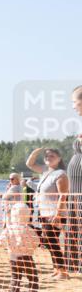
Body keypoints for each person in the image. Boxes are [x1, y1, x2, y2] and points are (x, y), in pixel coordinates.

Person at [26, 147, 70, 280]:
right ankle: (57, 269)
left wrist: (58, 213)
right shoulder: (45, 171)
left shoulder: (60, 174)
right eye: (47, 156)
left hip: (55, 214)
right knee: (50, 241)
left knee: (51, 241)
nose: (48, 158)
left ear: (59, 158)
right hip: (44, 213)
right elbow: (30, 164)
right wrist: (35, 152)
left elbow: (63, 195)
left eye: (52, 156)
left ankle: (62, 271)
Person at [6, 202, 41, 292]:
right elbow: (36, 241)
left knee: (15, 277)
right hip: (27, 257)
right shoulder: (29, 229)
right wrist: (32, 249)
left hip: (13, 257)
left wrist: (9, 246)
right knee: (33, 277)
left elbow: (1, 240)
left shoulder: (9, 228)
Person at [66, 85, 82, 277]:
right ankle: (75, 263)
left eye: (74, 102)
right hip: (75, 184)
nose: (73, 107)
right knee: (75, 223)